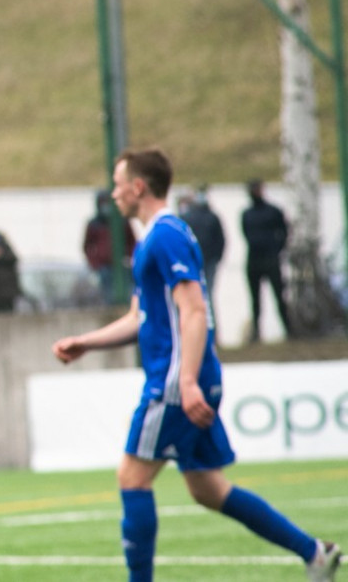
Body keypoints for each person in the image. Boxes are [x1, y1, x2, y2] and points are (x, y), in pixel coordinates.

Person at [52, 148, 341, 582]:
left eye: (118, 183)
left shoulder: (165, 234)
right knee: (208, 489)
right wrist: (86, 343)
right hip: (188, 375)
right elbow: (141, 317)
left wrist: (185, 381)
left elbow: (193, 311)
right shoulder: (155, 237)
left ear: (138, 187)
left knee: (132, 477)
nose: (113, 193)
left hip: (175, 378)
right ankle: (314, 552)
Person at [241, 179, 293, 341]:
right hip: (254, 260)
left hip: (271, 259)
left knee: (279, 296)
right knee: (255, 300)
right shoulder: (246, 214)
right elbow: (246, 234)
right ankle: (256, 332)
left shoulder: (273, 211)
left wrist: (277, 249)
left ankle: (288, 330)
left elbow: (284, 232)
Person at [83, 189, 136, 304]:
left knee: (126, 294)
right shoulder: (94, 224)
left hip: (121, 266)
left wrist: (129, 258)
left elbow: (132, 242)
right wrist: (94, 263)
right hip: (103, 267)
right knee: (108, 296)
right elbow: (87, 246)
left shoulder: (122, 221)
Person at [179, 184, 225, 302]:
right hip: (200, 262)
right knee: (205, 296)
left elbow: (220, 239)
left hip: (205, 262)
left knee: (203, 296)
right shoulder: (189, 217)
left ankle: (208, 320)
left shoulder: (209, 217)